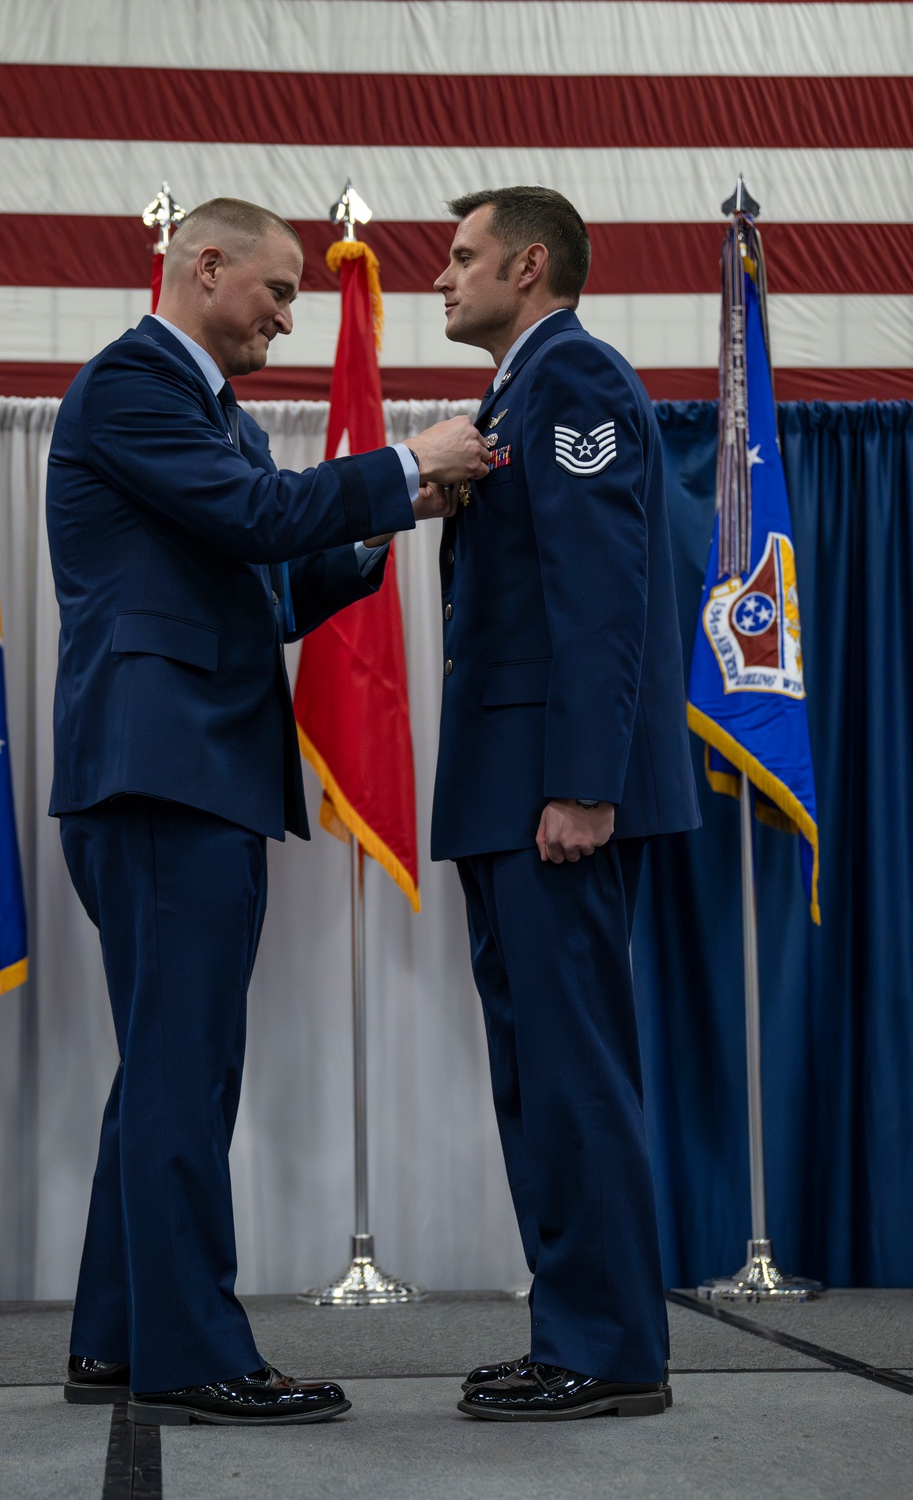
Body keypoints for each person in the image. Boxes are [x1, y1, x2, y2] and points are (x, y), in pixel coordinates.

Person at [46, 197, 489, 1427]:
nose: (291, 318)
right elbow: (253, 523)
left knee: (165, 1069)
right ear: (204, 264)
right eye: (281, 290)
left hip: (186, 772)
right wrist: (403, 464)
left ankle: (117, 1339)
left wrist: (392, 519)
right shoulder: (133, 384)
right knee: (186, 1071)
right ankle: (194, 1357)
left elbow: (266, 585)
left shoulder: (209, 414)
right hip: (162, 773)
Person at [428, 187, 700, 1421]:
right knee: (536, 1074)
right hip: (510, 787)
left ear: (530, 265)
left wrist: (584, 784)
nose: (443, 277)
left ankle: (605, 1348)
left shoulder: (572, 379)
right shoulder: (516, 393)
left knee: (572, 1069)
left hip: (552, 793)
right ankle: (572, 1331)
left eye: (462, 256)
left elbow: (602, 592)